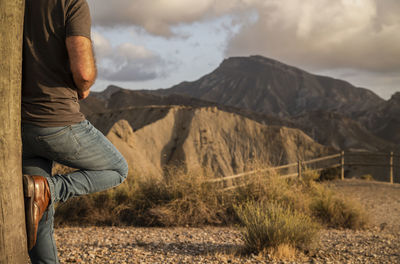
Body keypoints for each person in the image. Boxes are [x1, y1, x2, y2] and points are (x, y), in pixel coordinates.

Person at [22, 0, 128, 263]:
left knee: (37, 213)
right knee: (117, 169)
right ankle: (52, 189)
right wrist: (86, 83)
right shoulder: (71, 3)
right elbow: (82, 72)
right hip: (56, 121)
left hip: (18, 127)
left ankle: (43, 192)